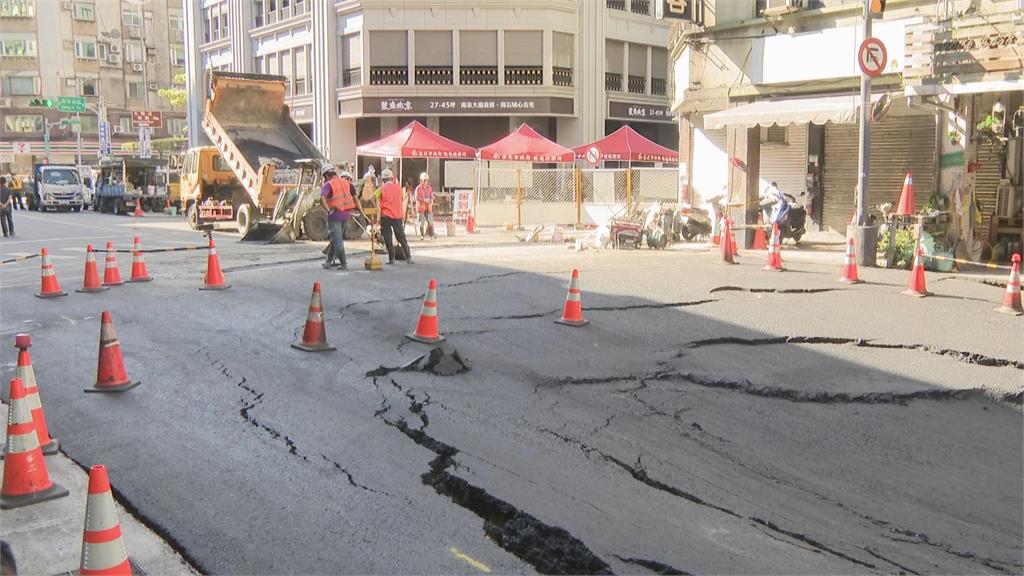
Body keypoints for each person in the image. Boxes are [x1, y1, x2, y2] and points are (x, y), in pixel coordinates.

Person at [320, 165, 357, 269]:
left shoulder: (328, 184)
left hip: (335, 215)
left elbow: (322, 198)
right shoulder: (346, 182)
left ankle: (343, 262)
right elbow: (354, 197)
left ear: (326, 175)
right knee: (335, 238)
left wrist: (328, 210)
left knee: (337, 240)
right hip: (346, 214)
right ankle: (328, 261)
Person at [376, 168, 413, 265]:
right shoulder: (399, 188)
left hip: (386, 216)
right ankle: (408, 257)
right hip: (397, 215)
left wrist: (377, 217)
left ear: (383, 180)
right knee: (401, 237)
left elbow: (373, 199)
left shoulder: (381, 189)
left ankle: (391, 259)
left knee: (388, 237)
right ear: (392, 178)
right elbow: (401, 199)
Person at [415, 172, 436, 240]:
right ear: (421, 180)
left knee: (430, 222)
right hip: (421, 207)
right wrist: (424, 200)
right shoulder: (418, 188)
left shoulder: (429, 188)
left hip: (428, 207)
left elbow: (431, 195)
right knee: (421, 223)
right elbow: (417, 197)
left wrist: (431, 198)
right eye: (424, 180)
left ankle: (432, 235)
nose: (425, 182)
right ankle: (422, 235)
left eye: (426, 180)